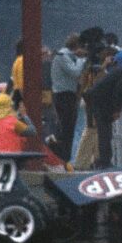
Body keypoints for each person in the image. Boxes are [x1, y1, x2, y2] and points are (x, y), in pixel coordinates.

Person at [51, 33, 85, 162]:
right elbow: (75, 72)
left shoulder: (68, 56)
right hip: (64, 95)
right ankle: (62, 159)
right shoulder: (63, 56)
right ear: (77, 46)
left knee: (69, 129)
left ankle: (65, 159)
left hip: (68, 95)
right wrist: (82, 59)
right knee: (66, 129)